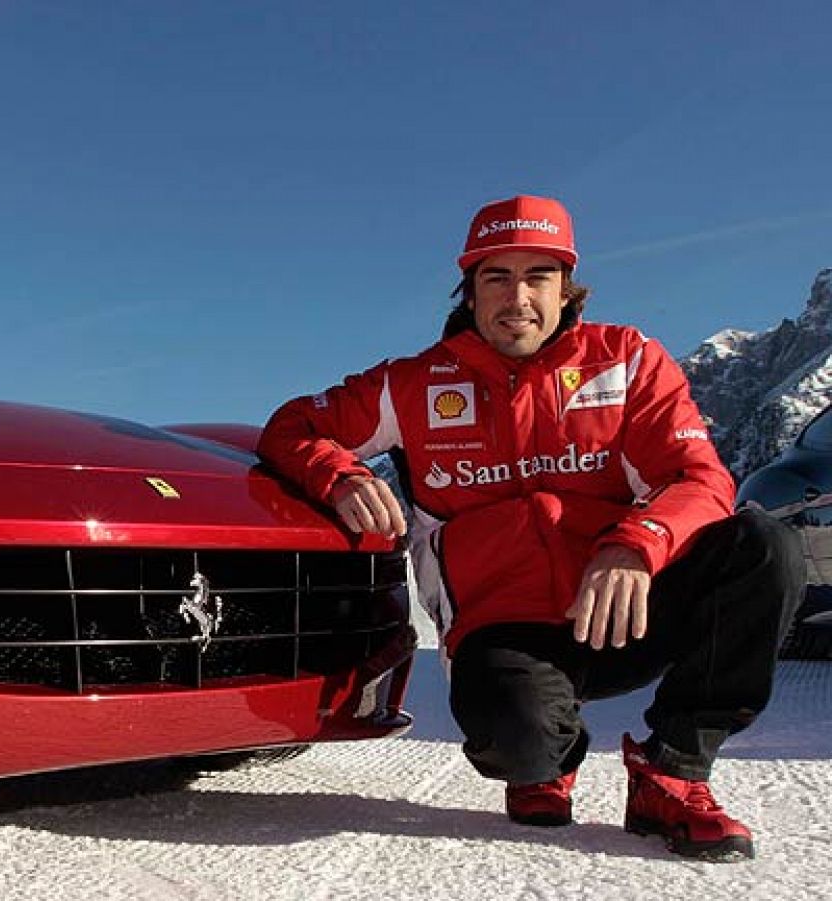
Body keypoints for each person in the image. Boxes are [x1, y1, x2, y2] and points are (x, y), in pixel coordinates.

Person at [257, 194, 804, 862]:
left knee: (764, 544)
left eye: (538, 275)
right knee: (518, 742)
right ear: (470, 289)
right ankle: (550, 753)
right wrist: (341, 476)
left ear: (566, 287)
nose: (518, 296)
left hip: (624, 608)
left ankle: (674, 771)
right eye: (497, 276)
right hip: (505, 622)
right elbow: (293, 426)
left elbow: (701, 478)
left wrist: (638, 543)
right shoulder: (413, 384)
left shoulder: (627, 359)